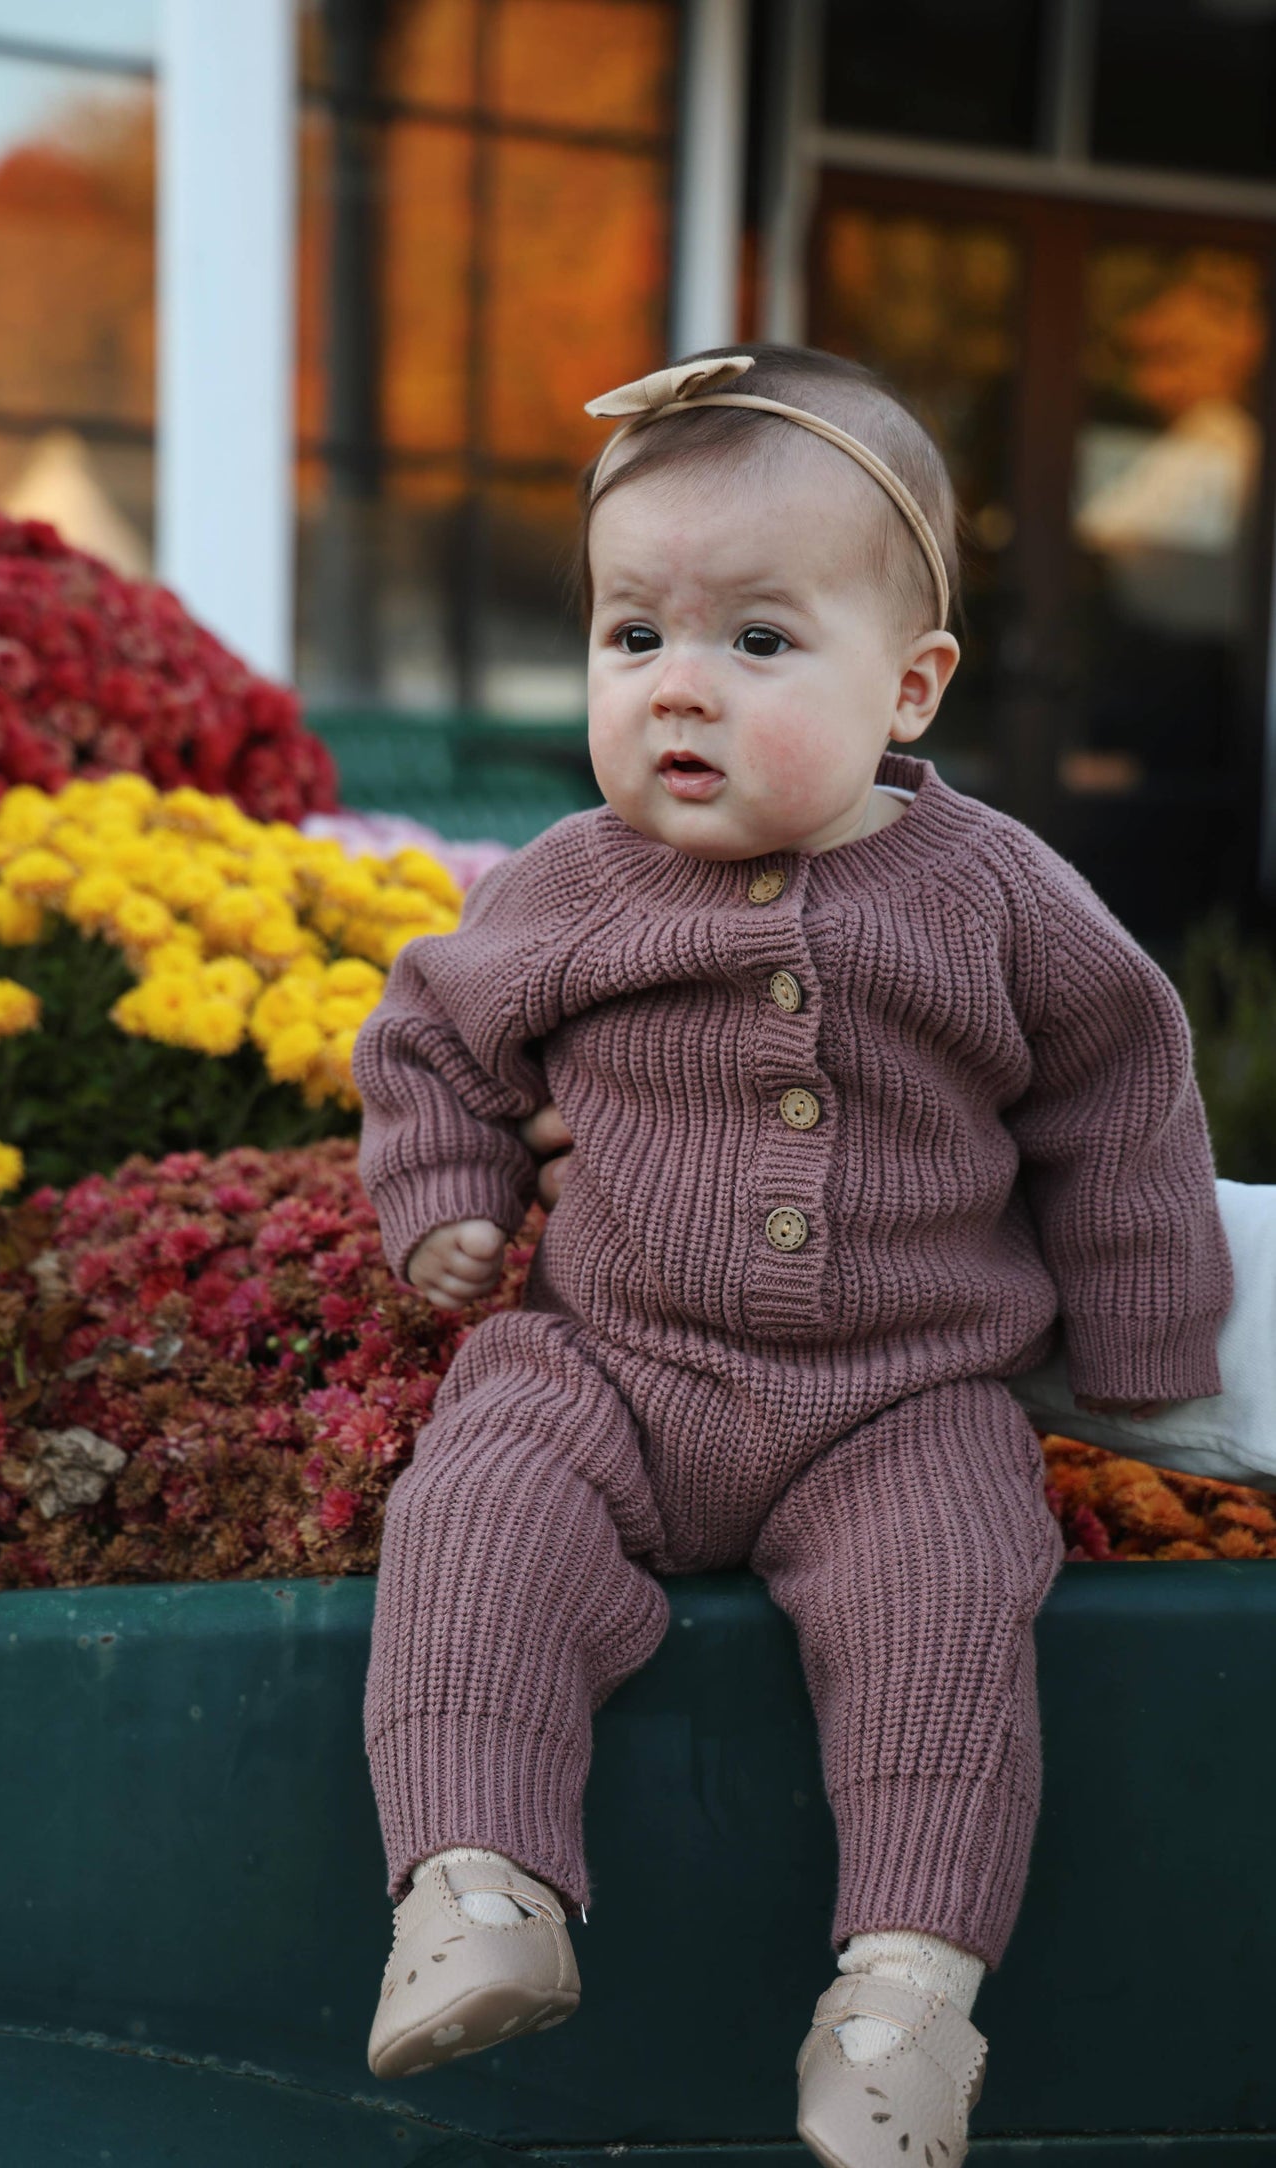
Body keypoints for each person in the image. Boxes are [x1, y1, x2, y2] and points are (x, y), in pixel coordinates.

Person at [352, 345, 1232, 2166]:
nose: (677, 690)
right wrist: (443, 1201)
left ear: (907, 684)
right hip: (609, 1363)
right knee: (476, 1510)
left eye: (757, 643)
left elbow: (1121, 1091)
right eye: (629, 637)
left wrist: (1147, 1331)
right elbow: (429, 1039)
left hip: (899, 1399)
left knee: (947, 1613)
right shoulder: (571, 887)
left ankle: (905, 2001)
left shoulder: (993, 897)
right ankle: (476, 1886)